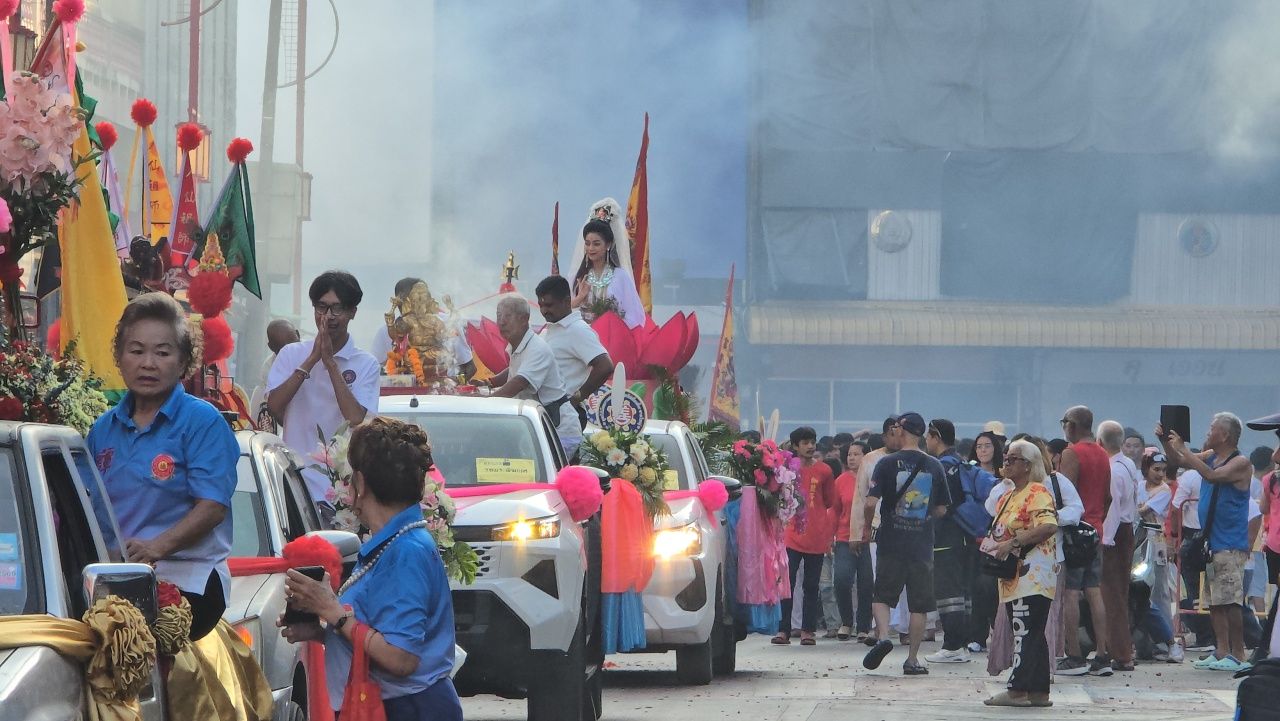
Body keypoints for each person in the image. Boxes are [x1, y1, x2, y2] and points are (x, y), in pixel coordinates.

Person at [279, 417, 462, 720]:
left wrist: (335, 614)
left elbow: (401, 659)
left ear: (361, 484)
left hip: (408, 709)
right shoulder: (394, 543)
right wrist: (323, 632)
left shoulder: (407, 551)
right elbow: (378, 636)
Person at [88, 293, 239, 640]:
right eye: (137, 351)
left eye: (162, 352)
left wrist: (155, 548)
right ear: (119, 357)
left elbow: (213, 507)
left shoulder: (202, 422)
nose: (148, 363)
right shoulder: (102, 430)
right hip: (112, 579)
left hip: (188, 580)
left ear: (184, 361)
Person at [269, 271, 381, 520]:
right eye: (321, 307)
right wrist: (312, 360)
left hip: (339, 491)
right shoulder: (291, 354)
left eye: (336, 309)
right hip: (293, 484)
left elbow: (355, 418)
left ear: (352, 312)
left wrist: (330, 363)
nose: (328, 316)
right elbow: (275, 407)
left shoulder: (366, 364)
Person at [1159, 412, 1254, 672]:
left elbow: (1212, 476)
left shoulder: (1240, 462)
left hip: (1229, 543)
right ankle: (1221, 649)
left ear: (1225, 435)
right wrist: (1167, 442)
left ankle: (1238, 653)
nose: (1208, 432)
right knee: (1215, 601)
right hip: (1211, 543)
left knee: (1231, 602)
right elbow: (1178, 461)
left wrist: (1184, 449)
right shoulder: (1211, 456)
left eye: (1212, 428)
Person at [861, 412, 950, 675]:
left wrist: (867, 526)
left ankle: (883, 636)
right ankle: (912, 659)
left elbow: (870, 502)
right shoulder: (935, 465)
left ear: (901, 431)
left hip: (891, 541)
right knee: (919, 604)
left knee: (882, 595)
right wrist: (922, 514)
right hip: (921, 545)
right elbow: (942, 509)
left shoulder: (886, 463)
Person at [981, 440, 1059, 708]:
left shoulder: (1037, 492)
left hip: (1032, 574)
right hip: (1012, 575)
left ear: (1028, 465)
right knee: (1033, 632)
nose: (1006, 461)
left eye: (1013, 458)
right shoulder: (1007, 495)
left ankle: (1017, 690)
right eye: (1006, 457)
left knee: (1024, 631)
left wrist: (1013, 542)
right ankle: (1038, 691)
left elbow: (1048, 526)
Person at [1055, 405, 1113, 676]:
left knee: (1070, 593)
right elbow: (1108, 497)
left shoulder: (1072, 453)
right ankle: (1102, 653)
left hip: (1074, 533)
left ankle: (1074, 654)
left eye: (1064, 422)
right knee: (1094, 591)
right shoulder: (1102, 453)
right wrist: (1097, 519)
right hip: (1095, 530)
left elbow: (1065, 495)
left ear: (1072, 425)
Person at [488, 295, 582, 456]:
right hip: (541, 428)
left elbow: (520, 381)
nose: (501, 322)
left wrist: (486, 401)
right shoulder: (518, 345)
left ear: (524, 319)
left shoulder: (537, 348)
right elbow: (514, 370)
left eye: (507, 316)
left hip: (560, 432)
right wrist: (489, 382)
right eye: (499, 316)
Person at [534, 275, 614, 450]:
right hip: (544, 413)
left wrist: (576, 398)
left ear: (566, 301)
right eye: (541, 306)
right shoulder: (549, 330)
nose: (544, 311)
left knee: (556, 465)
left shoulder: (578, 330)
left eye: (549, 305)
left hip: (565, 417)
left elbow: (605, 366)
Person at [774, 426, 837, 646]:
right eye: (805, 443)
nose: (810, 446)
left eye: (812, 442)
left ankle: (808, 631)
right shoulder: (785, 470)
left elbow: (829, 501)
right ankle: (783, 629)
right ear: (795, 446)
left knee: (811, 585)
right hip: (790, 534)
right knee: (787, 583)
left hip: (816, 534)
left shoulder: (825, 470)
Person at [924, 418, 974, 663]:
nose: (926, 440)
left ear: (936, 437)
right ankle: (962, 644)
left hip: (945, 537)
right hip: (965, 535)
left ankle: (952, 645)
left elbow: (939, 507)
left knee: (948, 592)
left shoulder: (940, 467)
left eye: (928, 436)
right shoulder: (959, 463)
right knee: (963, 593)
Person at [370, 276, 476, 380]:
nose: (420, 304)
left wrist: (451, 383)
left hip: (442, 383)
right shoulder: (387, 330)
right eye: (416, 299)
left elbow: (469, 368)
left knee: (439, 357)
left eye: (423, 297)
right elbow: (373, 370)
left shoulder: (447, 322)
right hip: (405, 384)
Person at [1097, 420, 1139, 672]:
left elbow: (1112, 509)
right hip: (1127, 530)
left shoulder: (1113, 470)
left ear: (1100, 442)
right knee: (1119, 593)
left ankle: (1121, 653)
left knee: (1112, 595)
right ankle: (1120, 648)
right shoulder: (1128, 464)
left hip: (1115, 534)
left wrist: (1105, 540)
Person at [570, 198, 646, 328]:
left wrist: (612, 323)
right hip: (582, 335)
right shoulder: (577, 277)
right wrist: (579, 299)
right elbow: (562, 314)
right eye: (587, 243)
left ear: (608, 245)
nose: (590, 248)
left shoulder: (621, 277)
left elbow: (635, 316)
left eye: (596, 244)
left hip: (612, 335)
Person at [967, 430, 1005, 654]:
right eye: (979, 446)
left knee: (993, 587)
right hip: (973, 536)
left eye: (987, 445)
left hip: (998, 538)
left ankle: (998, 631)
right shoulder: (968, 473)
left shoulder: (1004, 475)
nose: (983, 450)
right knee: (977, 587)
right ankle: (977, 636)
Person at [1137, 449, 1176, 661]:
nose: (1160, 474)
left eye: (1163, 470)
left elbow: (1142, 511)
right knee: (1141, 593)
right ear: (1146, 468)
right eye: (1156, 469)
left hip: (1156, 544)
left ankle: (1165, 642)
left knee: (1159, 593)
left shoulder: (1164, 490)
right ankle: (1144, 643)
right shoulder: (1139, 486)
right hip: (1139, 544)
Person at [833, 440, 870, 641]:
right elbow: (835, 511)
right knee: (841, 579)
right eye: (849, 454)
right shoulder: (840, 481)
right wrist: (830, 536)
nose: (852, 458)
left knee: (867, 583)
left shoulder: (873, 479)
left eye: (856, 454)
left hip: (867, 539)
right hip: (844, 537)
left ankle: (863, 626)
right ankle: (846, 621)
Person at [250, 319, 299, 434]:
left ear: (298, 334)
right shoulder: (269, 368)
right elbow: (278, 407)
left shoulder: (314, 352)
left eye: (293, 346)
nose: (290, 354)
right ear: (271, 347)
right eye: (283, 350)